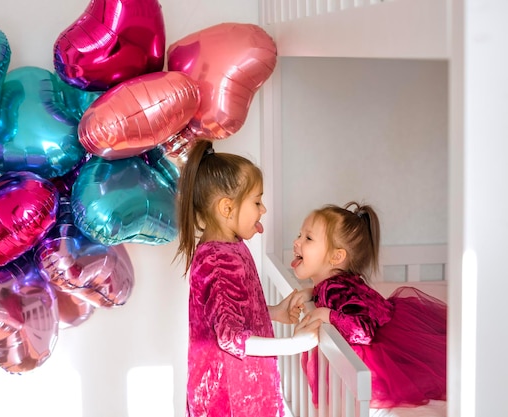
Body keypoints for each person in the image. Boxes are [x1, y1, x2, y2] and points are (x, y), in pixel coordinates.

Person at [175, 139, 321, 417]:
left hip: (241, 390)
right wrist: (295, 344)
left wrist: (275, 312)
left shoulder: (230, 247)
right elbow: (230, 337)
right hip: (228, 398)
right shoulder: (217, 260)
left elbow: (230, 313)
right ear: (227, 209)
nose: (263, 210)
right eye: (257, 201)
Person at [291, 201, 447, 408]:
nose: (297, 242)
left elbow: (363, 331)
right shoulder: (334, 284)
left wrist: (327, 315)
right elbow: (336, 298)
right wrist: (312, 293)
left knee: (420, 376)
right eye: (299, 235)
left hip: (382, 343)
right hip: (388, 322)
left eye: (308, 238)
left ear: (336, 256)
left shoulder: (335, 289)